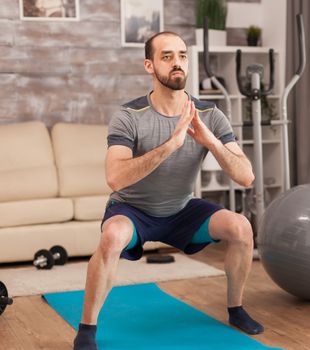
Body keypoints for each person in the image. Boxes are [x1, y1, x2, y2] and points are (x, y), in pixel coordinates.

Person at [73, 31, 264, 350]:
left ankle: (236, 309)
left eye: (182, 56)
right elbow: (115, 178)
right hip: (133, 210)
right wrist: (171, 144)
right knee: (111, 239)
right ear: (149, 65)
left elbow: (246, 177)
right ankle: (87, 329)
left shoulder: (210, 115)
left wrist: (212, 142)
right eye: (167, 57)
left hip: (182, 210)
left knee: (241, 228)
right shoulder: (128, 116)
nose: (177, 63)